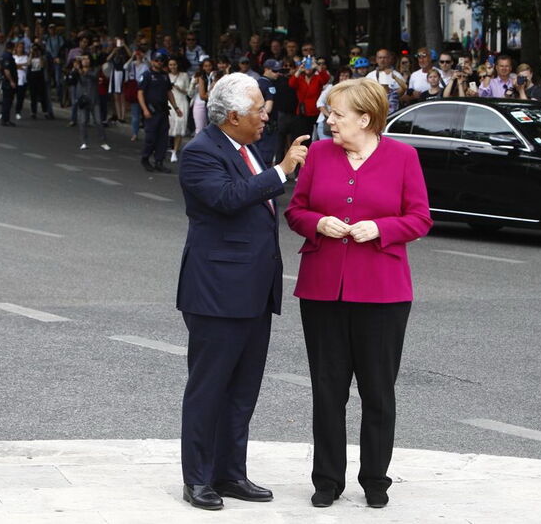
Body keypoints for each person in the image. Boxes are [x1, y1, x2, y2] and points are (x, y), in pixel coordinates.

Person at [285, 78, 432, 509]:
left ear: (365, 119)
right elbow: (295, 210)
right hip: (322, 290)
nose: (328, 120)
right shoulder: (319, 155)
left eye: (337, 114)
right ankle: (327, 480)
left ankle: (375, 480)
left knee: (377, 390)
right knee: (327, 389)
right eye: (329, 113)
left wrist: (381, 228)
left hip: (383, 293)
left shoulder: (404, 157)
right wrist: (318, 223)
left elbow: (420, 218)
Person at [176, 72, 309, 511]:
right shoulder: (200, 153)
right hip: (216, 291)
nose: (265, 118)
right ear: (232, 115)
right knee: (209, 388)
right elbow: (230, 198)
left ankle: (230, 472)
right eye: (258, 111)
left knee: (242, 390)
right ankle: (197, 478)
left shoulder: (248, 148)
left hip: (253, 289)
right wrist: (283, 170)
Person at [138, 50, 182, 173]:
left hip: (163, 111)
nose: (159, 63)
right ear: (152, 61)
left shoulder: (164, 75)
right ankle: (145, 158)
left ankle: (159, 161)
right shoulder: (147, 75)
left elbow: (169, 92)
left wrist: (176, 107)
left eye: (161, 60)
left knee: (163, 138)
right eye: (157, 60)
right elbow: (140, 93)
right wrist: (145, 109)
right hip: (151, 111)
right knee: (151, 137)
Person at [73, 57, 110, 151]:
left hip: (94, 99)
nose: (85, 60)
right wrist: (76, 69)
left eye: (87, 59)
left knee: (98, 121)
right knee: (83, 121)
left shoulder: (95, 69)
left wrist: (83, 72)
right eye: (83, 59)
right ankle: (83, 142)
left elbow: (94, 76)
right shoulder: (77, 71)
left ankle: (103, 142)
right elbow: (72, 79)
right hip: (83, 99)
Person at [167, 58, 190, 163]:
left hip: (182, 102)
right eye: (170, 65)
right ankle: (167, 148)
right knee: (169, 126)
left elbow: (189, 92)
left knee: (180, 126)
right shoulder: (166, 76)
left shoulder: (184, 75)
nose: (173, 67)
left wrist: (177, 87)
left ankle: (175, 152)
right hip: (170, 104)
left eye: (174, 64)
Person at [106, 37, 130, 123]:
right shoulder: (113, 50)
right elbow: (108, 59)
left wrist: (124, 46)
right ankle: (119, 115)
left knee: (122, 96)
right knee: (116, 96)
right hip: (115, 73)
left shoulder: (124, 52)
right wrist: (114, 51)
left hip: (123, 73)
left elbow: (130, 56)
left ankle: (123, 116)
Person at [27, 43, 53, 119]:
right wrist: (31, 54)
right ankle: (33, 111)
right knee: (33, 96)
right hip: (32, 77)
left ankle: (45, 111)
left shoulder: (43, 57)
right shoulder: (30, 56)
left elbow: (42, 65)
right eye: (34, 49)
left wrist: (39, 55)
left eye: (36, 49)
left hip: (40, 77)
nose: (35, 51)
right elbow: (28, 64)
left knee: (42, 96)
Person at [0, 41, 18, 126]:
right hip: (7, 83)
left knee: (7, 101)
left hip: (6, 82)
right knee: (7, 101)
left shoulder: (6, 56)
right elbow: (7, 70)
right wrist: (11, 81)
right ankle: (5, 119)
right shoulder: (7, 57)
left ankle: (5, 119)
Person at [12, 41, 29, 120]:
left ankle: (18, 112)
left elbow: (25, 67)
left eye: (22, 47)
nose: (20, 49)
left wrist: (16, 66)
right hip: (13, 79)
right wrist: (20, 65)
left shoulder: (25, 57)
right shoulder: (13, 56)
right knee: (10, 97)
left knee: (20, 98)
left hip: (22, 80)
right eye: (19, 47)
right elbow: (12, 66)